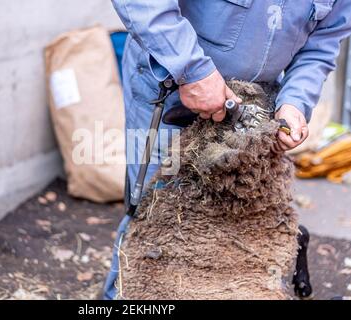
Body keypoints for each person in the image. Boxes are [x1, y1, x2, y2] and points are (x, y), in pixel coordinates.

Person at [104, 0, 351, 299]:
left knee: (241, 231)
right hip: (172, 86)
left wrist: (295, 100)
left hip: (254, 107)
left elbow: (321, 44)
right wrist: (191, 70)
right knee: (153, 218)